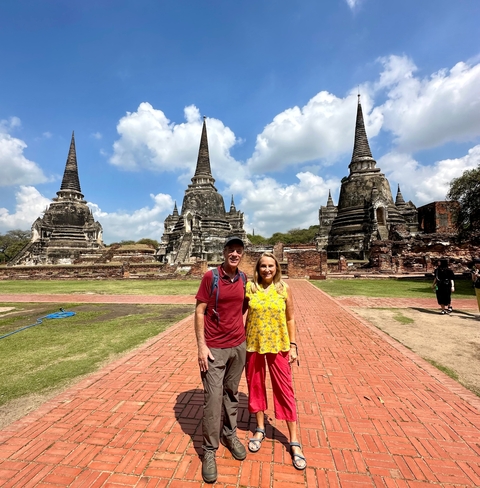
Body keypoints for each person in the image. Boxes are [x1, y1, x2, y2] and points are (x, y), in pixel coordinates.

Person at [244, 252, 307, 470]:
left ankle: (294, 440)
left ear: (276, 268)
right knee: (255, 387)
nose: (267, 270)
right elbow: (237, 313)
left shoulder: (284, 289)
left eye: (271, 266)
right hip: (253, 344)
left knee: (285, 390)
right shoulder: (250, 288)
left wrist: (294, 345)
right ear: (258, 268)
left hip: (279, 346)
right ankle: (260, 428)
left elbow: (290, 318)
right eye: (263, 266)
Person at [194, 236, 248, 484]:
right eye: (231, 250)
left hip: (238, 345)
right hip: (214, 347)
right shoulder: (210, 277)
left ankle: (230, 434)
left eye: (238, 251)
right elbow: (199, 311)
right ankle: (209, 450)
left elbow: (243, 307)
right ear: (224, 252)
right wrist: (201, 346)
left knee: (232, 392)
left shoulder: (244, 278)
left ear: (242, 254)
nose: (234, 254)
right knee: (213, 399)